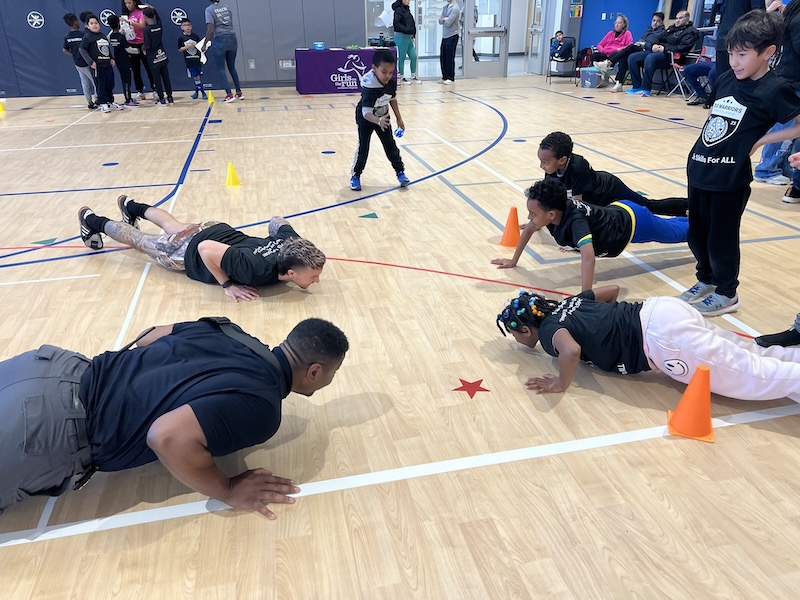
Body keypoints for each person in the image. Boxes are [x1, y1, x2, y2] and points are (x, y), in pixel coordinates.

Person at [0, 316, 348, 517]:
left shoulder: (226, 328)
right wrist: (227, 489)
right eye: (333, 374)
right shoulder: (264, 409)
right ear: (314, 372)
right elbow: (166, 436)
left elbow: (149, 337)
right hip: (45, 427)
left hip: (50, 368)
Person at [683, 10, 800, 316]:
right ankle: (706, 279)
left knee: (721, 238)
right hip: (700, 168)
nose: (734, 62)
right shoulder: (725, 78)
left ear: (768, 52)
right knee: (697, 233)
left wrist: (761, 141)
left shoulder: (775, 89)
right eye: (731, 53)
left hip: (729, 178)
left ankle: (727, 292)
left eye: (743, 55)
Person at [496, 286, 800, 402]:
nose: (519, 340)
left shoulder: (549, 332)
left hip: (662, 339)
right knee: (747, 352)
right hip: (660, 309)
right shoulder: (568, 303)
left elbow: (571, 350)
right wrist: (608, 325)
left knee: (751, 378)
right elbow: (611, 290)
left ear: (526, 328)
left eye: (516, 335)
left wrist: (560, 383)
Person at [77, 195, 326, 301]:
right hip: (189, 251)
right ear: (291, 273)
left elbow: (277, 221)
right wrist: (228, 286)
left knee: (172, 225)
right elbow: (206, 249)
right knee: (140, 241)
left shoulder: (291, 242)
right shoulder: (255, 268)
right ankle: (92, 221)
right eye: (313, 276)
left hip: (215, 228)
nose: (316, 280)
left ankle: (131, 206)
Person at [491, 179, 688, 290]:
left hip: (634, 223)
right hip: (619, 213)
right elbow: (529, 229)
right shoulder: (553, 212)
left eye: (533, 214)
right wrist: (513, 260)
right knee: (674, 225)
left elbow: (588, 258)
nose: (529, 218)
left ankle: (705, 220)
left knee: (682, 233)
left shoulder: (575, 221)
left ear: (550, 214)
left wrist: (586, 296)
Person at [537, 131, 689, 216]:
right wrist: (537, 221)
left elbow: (578, 206)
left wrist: (574, 238)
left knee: (648, 207)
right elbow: (549, 197)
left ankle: (692, 206)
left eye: (545, 162)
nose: (541, 166)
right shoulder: (551, 169)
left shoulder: (578, 167)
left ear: (562, 160)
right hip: (596, 199)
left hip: (610, 189)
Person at [349, 49, 411, 192]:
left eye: (390, 72)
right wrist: (378, 121)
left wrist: (399, 118)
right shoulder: (369, 85)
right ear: (374, 68)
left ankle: (400, 172)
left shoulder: (391, 81)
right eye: (384, 72)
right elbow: (366, 112)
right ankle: (355, 175)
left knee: (390, 146)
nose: (387, 76)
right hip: (366, 119)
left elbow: (392, 98)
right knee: (363, 148)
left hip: (383, 116)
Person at [754, 0, 800, 187]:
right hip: (794, 78)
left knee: (787, 128)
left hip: (789, 75)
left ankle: (781, 167)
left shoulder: (793, 14)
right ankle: (766, 169)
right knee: (785, 128)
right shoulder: (798, 18)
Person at [626, 10, 699, 97]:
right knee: (632, 57)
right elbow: (658, 37)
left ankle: (646, 88)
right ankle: (637, 86)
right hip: (658, 51)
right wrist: (654, 45)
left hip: (672, 56)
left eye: (680, 18)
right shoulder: (671, 28)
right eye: (676, 18)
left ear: (686, 19)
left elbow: (683, 48)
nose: (677, 20)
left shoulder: (691, 32)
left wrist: (664, 49)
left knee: (650, 57)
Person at [594, 12, 665, 93]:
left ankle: (608, 63)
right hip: (639, 48)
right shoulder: (648, 30)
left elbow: (654, 45)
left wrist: (643, 44)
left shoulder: (662, 33)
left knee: (629, 48)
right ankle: (619, 83)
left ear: (662, 22)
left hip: (648, 50)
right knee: (625, 56)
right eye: (654, 20)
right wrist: (639, 43)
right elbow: (600, 44)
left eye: (658, 21)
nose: (655, 23)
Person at [716, 0, 783, 75]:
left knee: (724, 78)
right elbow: (758, 19)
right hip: (743, 42)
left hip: (723, 38)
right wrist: (770, 10)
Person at [200, 0, 243, 103]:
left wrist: (204, 44)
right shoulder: (227, 7)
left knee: (221, 69)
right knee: (231, 67)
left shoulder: (209, 10)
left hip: (220, 38)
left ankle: (229, 94)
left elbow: (210, 29)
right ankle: (239, 92)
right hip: (232, 37)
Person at [79, 14, 122, 114]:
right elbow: (82, 50)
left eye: (96, 23)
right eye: (92, 23)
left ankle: (110, 101)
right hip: (97, 66)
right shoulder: (87, 37)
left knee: (110, 84)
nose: (94, 25)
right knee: (100, 85)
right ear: (87, 26)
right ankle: (102, 103)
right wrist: (90, 62)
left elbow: (106, 48)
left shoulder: (103, 36)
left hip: (107, 64)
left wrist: (111, 58)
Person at [120, 0, 156, 101]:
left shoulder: (141, 12)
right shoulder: (126, 14)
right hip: (131, 44)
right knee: (135, 70)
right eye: (126, 3)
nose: (128, 5)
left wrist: (130, 22)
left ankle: (155, 89)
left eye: (129, 3)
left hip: (143, 44)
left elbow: (142, 26)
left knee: (149, 68)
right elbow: (125, 28)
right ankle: (140, 91)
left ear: (134, 2)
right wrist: (123, 30)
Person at [62, 13, 97, 110]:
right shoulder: (83, 35)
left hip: (77, 62)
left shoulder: (67, 37)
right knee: (95, 81)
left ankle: (89, 101)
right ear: (75, 22)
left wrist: (73, 53)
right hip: (87, 62)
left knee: (85, 82)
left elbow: (64, 50)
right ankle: (98, 98)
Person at [591, 14, 633, 84]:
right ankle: (597, 75)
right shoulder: (610, 33)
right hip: (605, 53)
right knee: (594, 56)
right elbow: (600, 45)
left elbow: (629, 46)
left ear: (624, 25)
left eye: (619, 23)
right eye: (616, 23)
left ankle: (605, 68)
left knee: (616, 54)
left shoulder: (627, 34)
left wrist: (618, 49)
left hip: (616, 54)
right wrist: (603, 50)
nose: (617, 25)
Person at [142, 6, 173, 104]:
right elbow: (159, 19)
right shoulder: (159, 26)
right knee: (166, 77)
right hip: (162, 55)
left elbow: (147, 44)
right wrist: (154, 9)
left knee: (157, 79)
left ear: (145, 17)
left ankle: (161, 99)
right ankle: (170, 97)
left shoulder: (146, 29)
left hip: (153, 58)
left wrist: (142, 48)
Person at [107, 15, 138, 107]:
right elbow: (129, 50)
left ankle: (128, 97)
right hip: (125, 60)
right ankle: (128, 99)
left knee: (124, 79)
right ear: (118, 23)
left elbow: (109, 36)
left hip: (118, 60)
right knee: (127, 80)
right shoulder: (121, 37)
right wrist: (139, 51)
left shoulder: (111, 36)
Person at [393, 0, 421, 84]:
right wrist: (407, 30)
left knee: (413, 56)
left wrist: (413, 33)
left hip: (408, 37)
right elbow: (396, 24)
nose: (408, 1)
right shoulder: (398, 10)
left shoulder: (407, 10)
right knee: (402, 57)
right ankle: (401, 77)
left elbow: (410, 23)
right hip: (401, 37)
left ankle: (413, 76)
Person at [177, 18, 207, 99]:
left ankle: (197, 93)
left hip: (197, 59)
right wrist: (186, 47)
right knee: (196, 77)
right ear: (182, 27)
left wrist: (196, 46)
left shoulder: (195, 36)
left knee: (197, 76)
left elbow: (200, 46)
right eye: (185, 25)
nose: (187, 27)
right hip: (189, 60)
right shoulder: (181, 38)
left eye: (188, 25)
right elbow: (179, 49)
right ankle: (202, 92)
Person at [438, 0, 461, 84]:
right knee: (443, 57)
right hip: (445, 35)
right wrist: (445, 18)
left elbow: (448, 23)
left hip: (452, 35)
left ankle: (450, 77)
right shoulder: (446, 7)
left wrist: (444, 18)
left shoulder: (455, 8)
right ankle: (444, 76)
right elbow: (440, 21)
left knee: (449, 57)